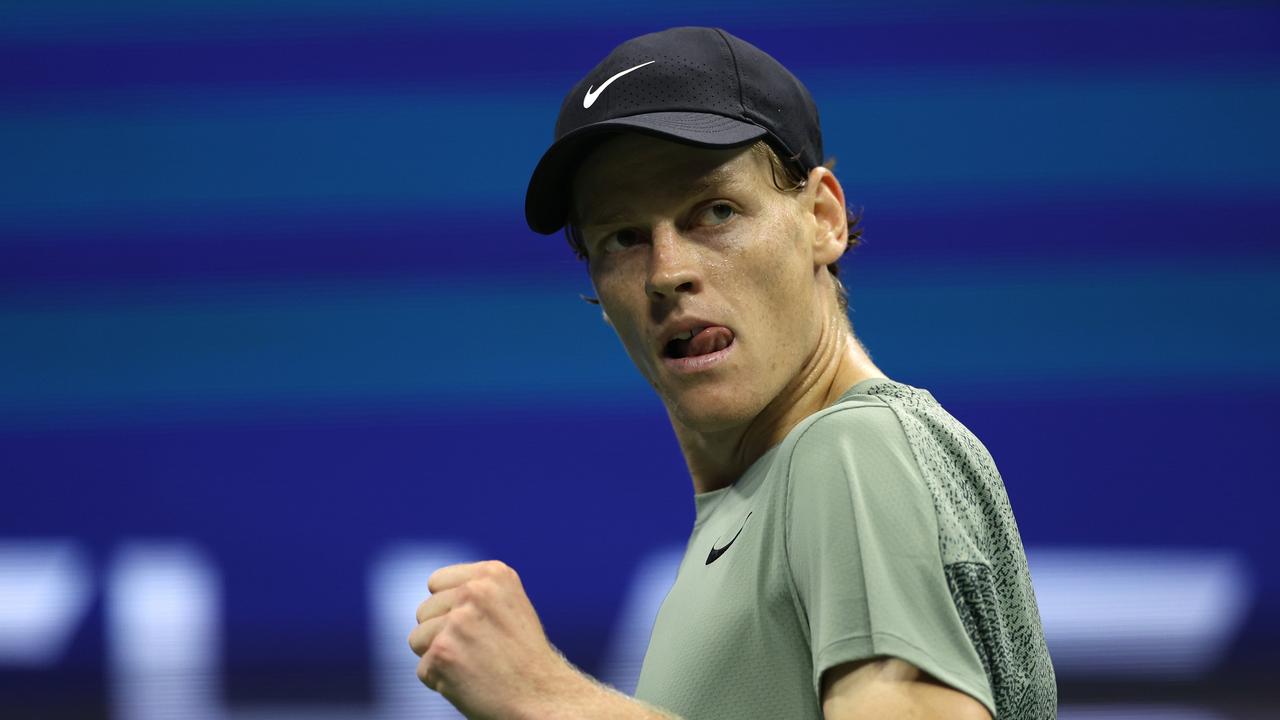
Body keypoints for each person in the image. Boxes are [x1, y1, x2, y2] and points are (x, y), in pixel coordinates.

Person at [408, 26, 1057, 719]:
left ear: (823, 217)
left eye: (715, 211)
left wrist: (545, 697)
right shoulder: (757, 504)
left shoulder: (855, 448)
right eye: (623, 238)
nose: (667, 272)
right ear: (597, 292)